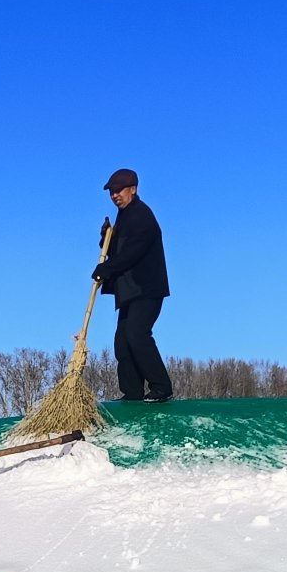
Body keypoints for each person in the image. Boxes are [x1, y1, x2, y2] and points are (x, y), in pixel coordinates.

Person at [94, 167, 173, 403]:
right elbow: (118, 249)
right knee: (122, 342)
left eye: (119, 190)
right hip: (130, 291)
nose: (115, 195)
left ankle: (161, 387)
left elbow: (131, 253)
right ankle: (132, 393)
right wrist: (106, 238)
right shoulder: (125, 216)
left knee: (137, 334)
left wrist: (106, 269)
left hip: (146, 289)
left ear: (133, 189)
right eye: (112, 192)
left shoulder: (141, 216)